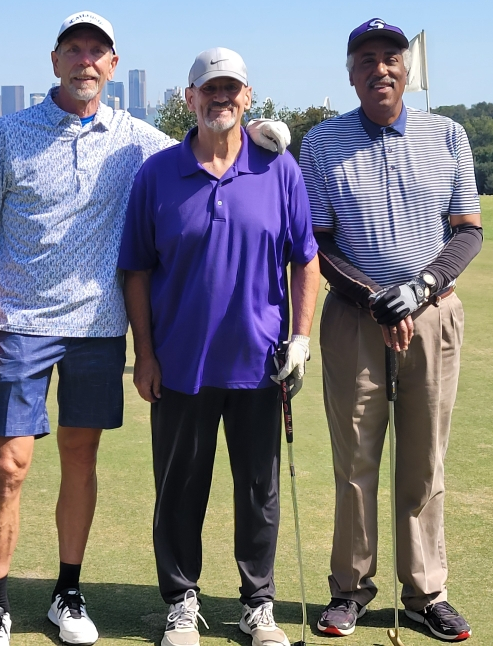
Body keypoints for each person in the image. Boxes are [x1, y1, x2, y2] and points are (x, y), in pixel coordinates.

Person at [0, 14, 290, 646]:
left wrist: (264, 134)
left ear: (112, 65)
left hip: (100, 328)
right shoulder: (9, 134)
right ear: (55, 61)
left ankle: (66, 594)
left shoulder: (139, 140)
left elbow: (210, 149)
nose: (85, 61)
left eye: (97, 52)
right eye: (73, 50)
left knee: (81, 458)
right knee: (10, 464)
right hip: (20, 324)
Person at [118, 47, 320, 646]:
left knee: (259, 491)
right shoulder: (156, 174)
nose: (221, 98)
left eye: (232, 89)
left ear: (248, 98)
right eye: (209, 89)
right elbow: (136, 271)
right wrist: (146, 354)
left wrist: (302, 338)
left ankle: (258, 604)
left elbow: (305, 259)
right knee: (180, 489)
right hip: (180, 365)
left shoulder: (277, 167)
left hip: (260, 365)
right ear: (190, 98)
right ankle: (182, 600)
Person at [298, 19, 483, 642]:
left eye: (391, 58)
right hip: (355, 318)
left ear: (407, 68)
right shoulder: (320, 143)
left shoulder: (449, 133)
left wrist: (419, 290)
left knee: (425, 459)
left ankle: (425, 592)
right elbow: (317, 244)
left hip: (433, 315)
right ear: (350, 73)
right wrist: (378, 299)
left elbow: (466, 231)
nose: (380, 69)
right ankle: (349, 589)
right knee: (355, 460)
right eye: (366, 59)